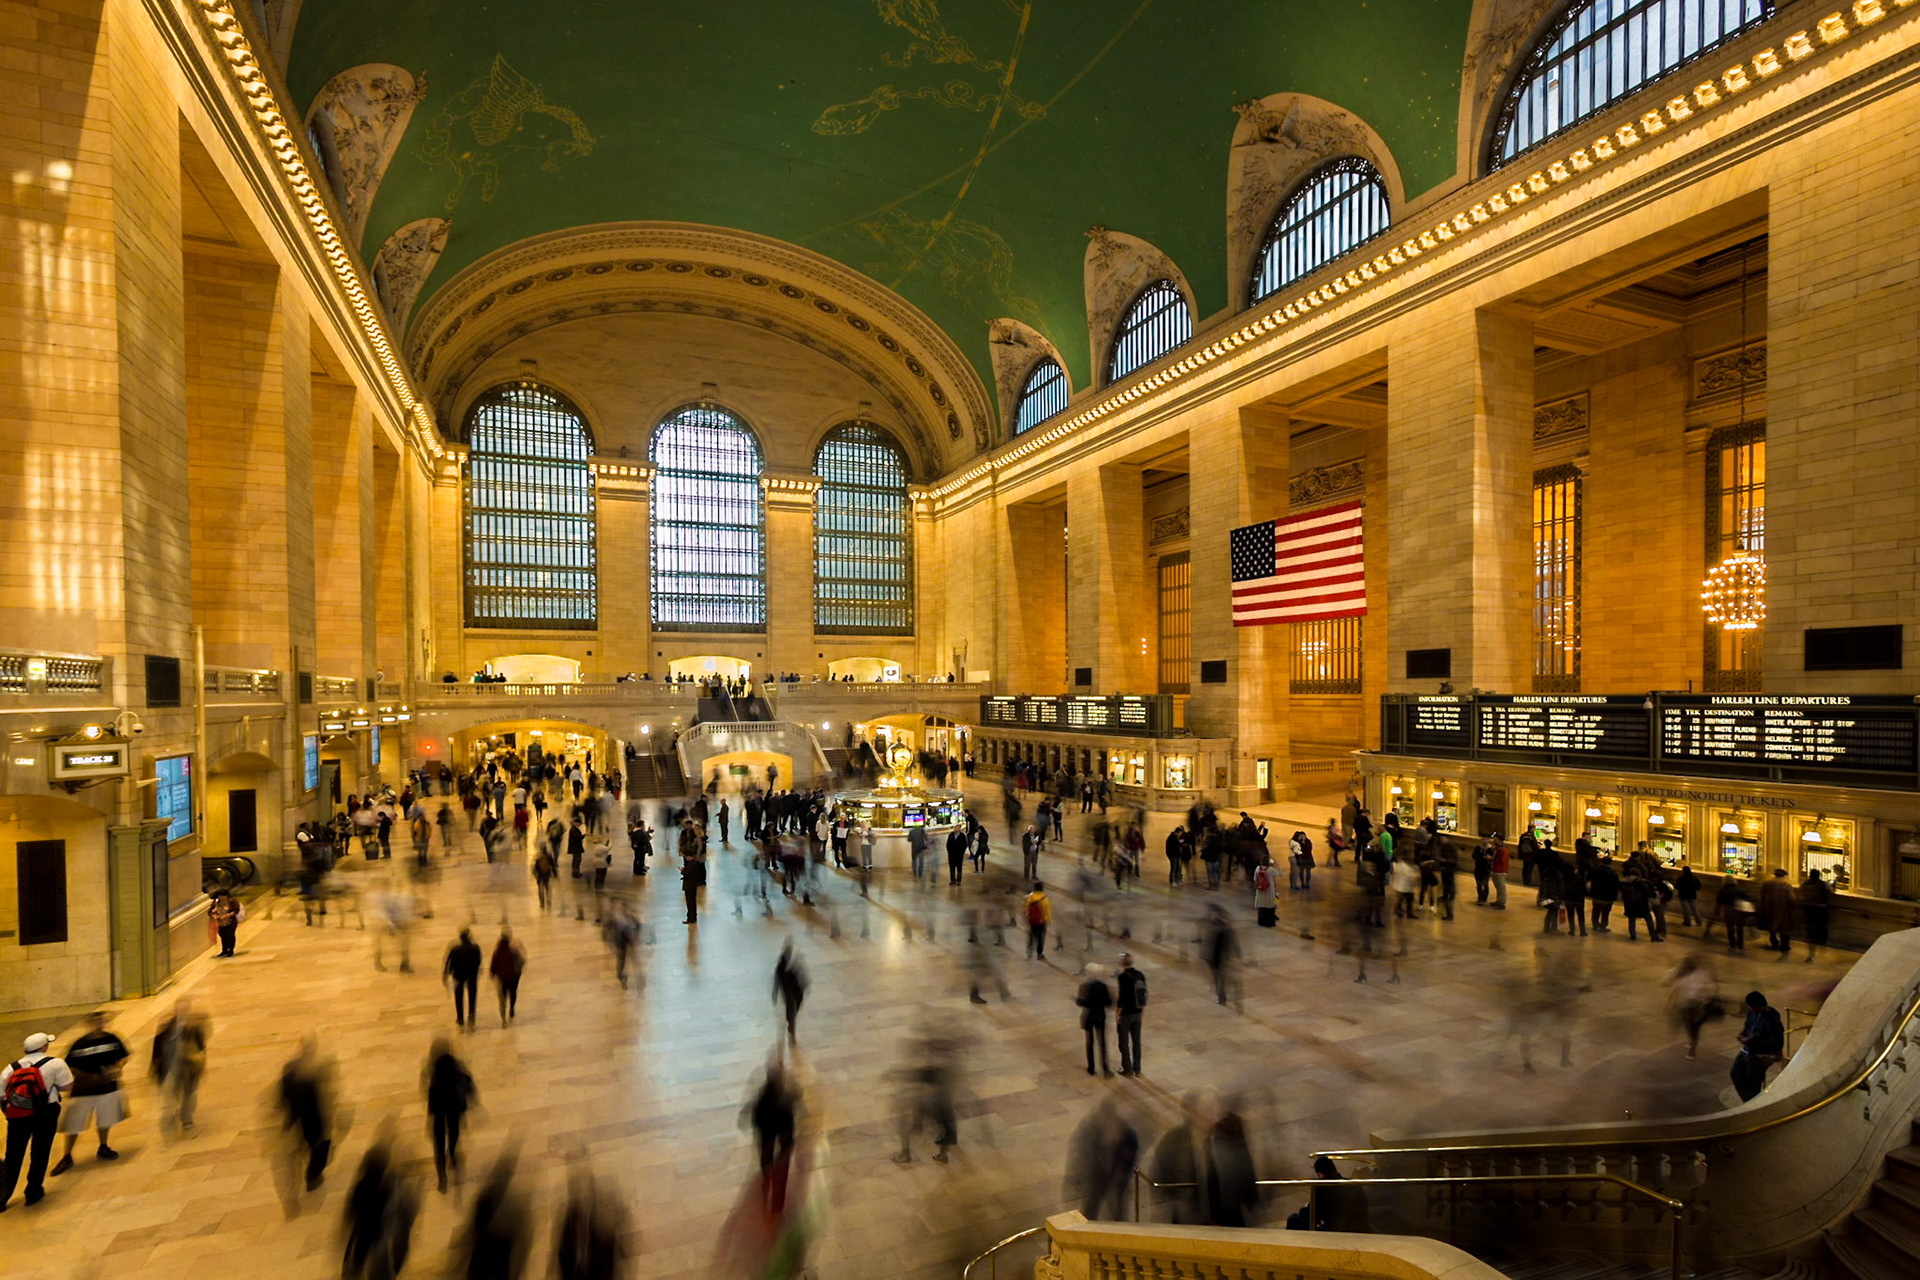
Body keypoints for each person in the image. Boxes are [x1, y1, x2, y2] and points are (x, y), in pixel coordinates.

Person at [1, 1032, 73, 1209]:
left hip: (17, 1115)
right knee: (40, 1151)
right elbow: (67, 1086)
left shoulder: (10, 1068)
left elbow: (2, 1095)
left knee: (13, 1155)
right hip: (45, 1112)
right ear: (43, 1047)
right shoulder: (55, 1063)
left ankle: (2, 1196)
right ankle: (33, 1191)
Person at [50, 1012, 126, 1174]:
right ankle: (67, 1155)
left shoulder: (112, 1039)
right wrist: (91, 1077)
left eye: (101, 1020)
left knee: (105, 1118)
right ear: (89, 1023)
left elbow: (123, 1056)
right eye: (96, 1021)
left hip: (107, 1088)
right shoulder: (79, 1045)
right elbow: (70, 1066)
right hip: (83, 1090)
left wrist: (117, 1067)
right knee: (74, 1123)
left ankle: (103, 1146)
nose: (99, 1023)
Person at [276, 1035, 334, 1194]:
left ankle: (309, 1172)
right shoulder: (309, 1077)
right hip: (311, 1120)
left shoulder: (289, 1069)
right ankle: (312, 1177)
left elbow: (282, 1096)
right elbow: (318, 1101)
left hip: (296, 1119)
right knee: (320, 1146)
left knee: (309, 1145)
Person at [424, 1037, 476, 1192]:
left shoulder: (434, 1073)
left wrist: (430, 1115)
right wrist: (472, 1098)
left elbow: (430, 1097)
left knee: (438, 1146)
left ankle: (442, 1177)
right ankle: (452, 1154)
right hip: (454, 1109)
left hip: (439, 1113)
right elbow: (468, 1083)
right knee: (454, 1134)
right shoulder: (456, 1067)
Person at [150, 999, 208, 1133]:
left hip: (189, 1067)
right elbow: (157, 1048)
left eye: (185, 1010)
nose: (182, 1013)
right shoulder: (167, 1027)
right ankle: (174, 1109)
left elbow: (201, 1047)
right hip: (171, 1067)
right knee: (172, 1092)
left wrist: (201, 1064)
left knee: (188, 1093)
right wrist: (155, 1067)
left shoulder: (194, 1027)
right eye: (180, 1010)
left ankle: (186, 1118)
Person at [1731, 990, 1785, 1102]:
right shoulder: (1752, 1013)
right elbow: (1747, 1026)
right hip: (1748, 1050)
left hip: (1762, 1053)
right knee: (1735, 1073)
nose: (1750, 1009)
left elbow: (1776, 1042)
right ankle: (1749, 1102)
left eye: (1752, 1006)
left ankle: (1753, 1104)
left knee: (1753, 1081)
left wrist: (1750, 1042)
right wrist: (1743, 1034)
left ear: (1760, 1006)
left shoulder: (1772, 1019)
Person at [1666, 955, 1718, 1060]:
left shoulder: (1685, 977)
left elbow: (1674, 991)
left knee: (1693, 1028)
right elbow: (1710, 987)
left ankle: (1692, 1050)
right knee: (1691, 1027)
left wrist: (1669, 1005)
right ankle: (1692, 1042)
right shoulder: (1700, 975)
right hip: (1693, 1005)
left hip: (1693, 1006)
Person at [1077, 964, 1114, 1077]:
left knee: (1090, 1042)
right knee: (1102, 1042)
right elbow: (1108, 1003)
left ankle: (1091, 1067)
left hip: (1088, 1016)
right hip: (1100, 1016)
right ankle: (1105, 1067)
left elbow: (1080, 1002)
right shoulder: (1102, 986)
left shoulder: (1084, 985)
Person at [444, 928, 483, 1030]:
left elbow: (448, 963)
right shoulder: (475, 948)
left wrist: (446, 974)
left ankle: (460, 1018)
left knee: (458, 997)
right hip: (471, 976)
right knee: (472, 997)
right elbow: (478, 961)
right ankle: (471, 1016)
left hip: (458, 976)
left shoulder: (455, 949)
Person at [1116, 953, 1147, 1077]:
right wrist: (1142, 1009)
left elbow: (1122, 997)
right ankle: (1137, 1068)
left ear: (1123, 962)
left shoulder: (1123, 977)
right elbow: (1144, 993)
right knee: (1136, 1041)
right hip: (1138, 1013)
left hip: (1126, 1014)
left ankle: (1127, 1068)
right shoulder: (1140, 975)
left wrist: (1118, 1013)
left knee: (1123, 1042)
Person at [772, 941, 809, 1043]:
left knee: (792, 1008)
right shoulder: (782, 965)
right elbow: (777, 979)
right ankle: (791, 1027)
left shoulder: (791, 963)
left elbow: (801, 976)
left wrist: (774, 993)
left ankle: (791, 1024)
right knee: (791, 1009)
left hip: (793, 990)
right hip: (791, 990)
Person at [490, 927, 525, 1025]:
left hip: (502, 979)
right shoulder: (513, 950)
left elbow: (493, 966)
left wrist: (493, 975)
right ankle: (512, 1009)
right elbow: (522, 961)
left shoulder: (497, 952)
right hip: (513, 977)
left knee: (502, 1000)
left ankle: (503, 1020)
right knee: (513, 994)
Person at [1760, 868, 1795, 954]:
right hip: (1783, 910)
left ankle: (1774, 942)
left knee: (1772, 928)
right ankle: (1784, 946)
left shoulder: (1766, 884)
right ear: (1783, 876)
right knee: (1784, 929)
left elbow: (1762, 896)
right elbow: (1791, 898)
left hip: (1769, 909)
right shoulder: (1786, 885)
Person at [1801, 869, 1832, 961]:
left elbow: (1801, 894)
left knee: (1810, 932)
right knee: (1822, 931)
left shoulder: (1805, 884)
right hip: (1821, 910)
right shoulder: (1823, 884)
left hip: (1808, 909)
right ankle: (1822, 952)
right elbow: (1830, 892)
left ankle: (1811, 954)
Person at [208, 888, 241, 957]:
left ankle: (230, 950)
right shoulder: (216, 902)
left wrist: (227, 915)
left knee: (230, 935)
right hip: (220, 923)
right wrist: (214, 916)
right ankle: (224, 950)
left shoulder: (231, 901)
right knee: (223, 936)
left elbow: (236, 910)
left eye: (221, 896)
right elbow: (210, 911)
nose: (220, 898)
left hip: (230, 922)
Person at [1025, 882, 1051, 958]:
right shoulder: (1044, 897)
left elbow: (1027, 908)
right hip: (1042, 921)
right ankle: (1039, 954)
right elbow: (1047, 910)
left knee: (1032, 935)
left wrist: (1027, 918)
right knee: (1040, 938)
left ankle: (1029, 950)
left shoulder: (1031, 896)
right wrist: (1049, 919)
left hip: (1033, 920)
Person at [681, 848, 705, 924]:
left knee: (690, 903)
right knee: (692, 903)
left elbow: (687, 874)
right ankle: (692, 917)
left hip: (689, 886)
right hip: (693, 886)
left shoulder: (691, 864)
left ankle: (691, 918)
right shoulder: (695, 863)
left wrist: (682, 871)